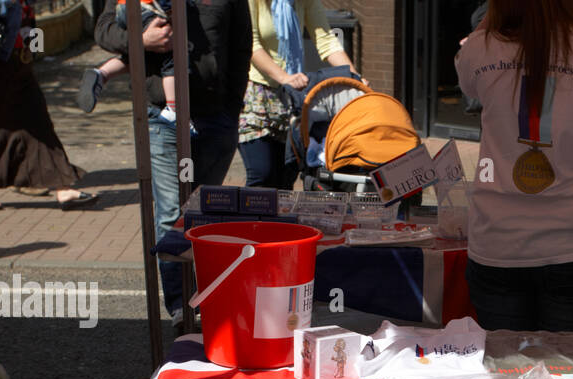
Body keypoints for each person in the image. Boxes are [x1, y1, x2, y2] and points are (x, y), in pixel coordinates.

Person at [455, 0, 573, 333]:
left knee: (505, 361)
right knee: (568, 363)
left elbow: (468, 83)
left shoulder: (480, 49)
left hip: (498, 243)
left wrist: (493, 17)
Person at [95, 0, 253, 321]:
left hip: (215, 119)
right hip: (162, 118)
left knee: (204, 215)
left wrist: (232, 110)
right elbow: (104, 30)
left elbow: (241, 46)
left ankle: (205, 299)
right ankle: (181, 307)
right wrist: (139, 39)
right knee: (171, 214)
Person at [0, 0, 96, 211]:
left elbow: (29, 14)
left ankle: (63, 188)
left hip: (19, 61)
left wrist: (36, 50)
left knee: (39, 121)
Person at [240, 0, 361, 190]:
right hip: (258, 95)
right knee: (262, 173)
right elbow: (252, 44)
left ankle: (279, 211)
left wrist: (355, 79)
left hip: (292, 99)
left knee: (285, 177)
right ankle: (250, 211)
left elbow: (326, 41)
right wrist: (284, 77)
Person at [77, 2, 183, 128]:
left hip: (127, 10)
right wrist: (142, 40)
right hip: (147, 11)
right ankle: (173, 108)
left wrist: (138, 42)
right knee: (170, 56)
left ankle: (102, 73)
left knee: (139, 54)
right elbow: (103, 30)